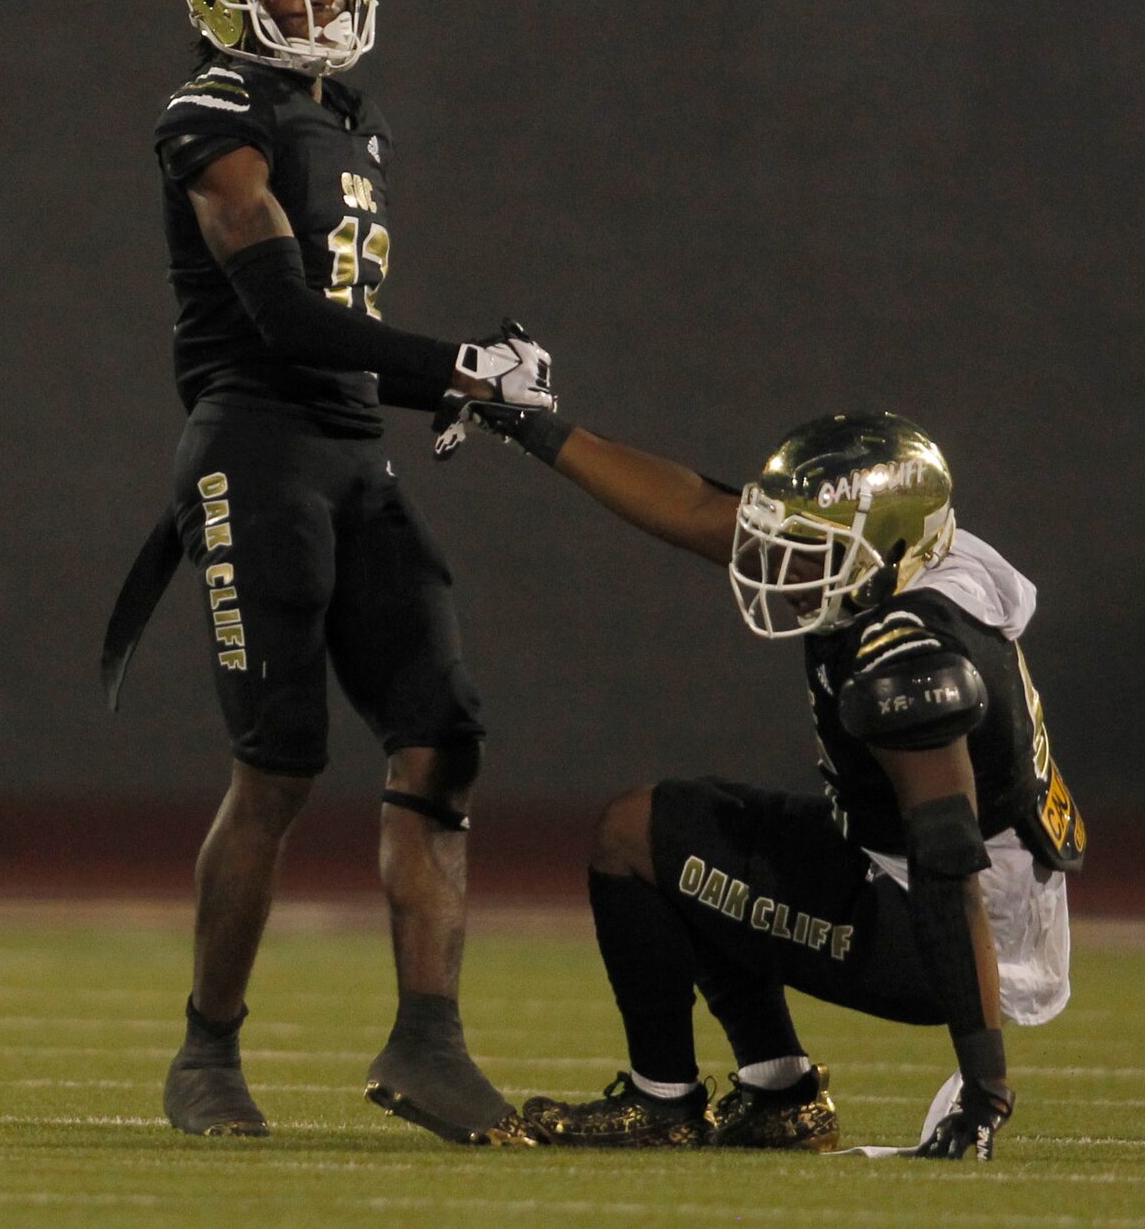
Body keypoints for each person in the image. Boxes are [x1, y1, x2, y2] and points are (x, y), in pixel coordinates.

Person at [102, 0, 555, 1146]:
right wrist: (457, 366)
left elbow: (348, 343)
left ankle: (427, 1041)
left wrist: (437, 386)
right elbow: (288, 320)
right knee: (279, 766)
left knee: (442, 736)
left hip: (351, 453)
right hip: (256, 451)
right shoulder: (211, 112)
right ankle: (207, 1050)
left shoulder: (347, 121)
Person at [442, 401, 1083, 1157]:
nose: (782, 562)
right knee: (685, 826)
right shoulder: (912, 560)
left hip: (960, 932)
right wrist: (529, 424)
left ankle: (663, 1103)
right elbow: (692, 506)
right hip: (928, 878)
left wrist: (983, 1090)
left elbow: (948, 868)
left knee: (637, 839)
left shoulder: (907, 653)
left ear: (887, 548)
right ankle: (779, 1095)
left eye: (811, 546)